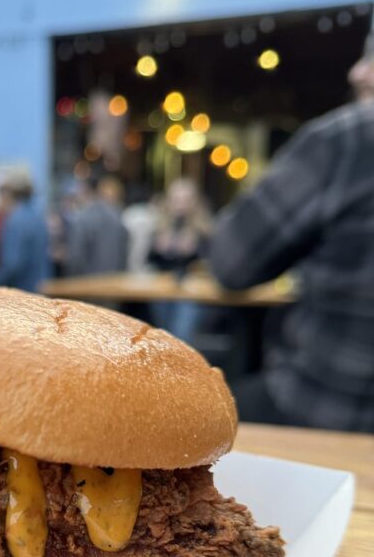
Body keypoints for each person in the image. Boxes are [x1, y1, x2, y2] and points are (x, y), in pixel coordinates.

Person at [208, 35, 374, 432]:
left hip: (327, 410)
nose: (357, 72)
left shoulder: (349, 138)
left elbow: (230, 261)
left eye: (371, 57)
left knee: (190, 409)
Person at [147, 178, 211, 341]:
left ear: (194, 203)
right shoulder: (160, 228)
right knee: (162, 336)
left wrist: (193, 252)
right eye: (176, 200)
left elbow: (210, 266)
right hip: (162, 292)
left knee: (180, 336)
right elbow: (149, 262)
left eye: (185, 200)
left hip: (191, 293)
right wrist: (159, 250)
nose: (180, 205)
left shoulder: (203, 231)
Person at [0, 169, 49, 293]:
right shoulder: (37, 216)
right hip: (40, 289)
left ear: (9, 193)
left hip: (22, 292)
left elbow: (12, 264)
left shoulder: (15, 221)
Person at [65, 175, 128, 276]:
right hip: (114, 284)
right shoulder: (119, 221)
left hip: (85, 285)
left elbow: (76, 258)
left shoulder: (82, 219)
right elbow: (123, 259)